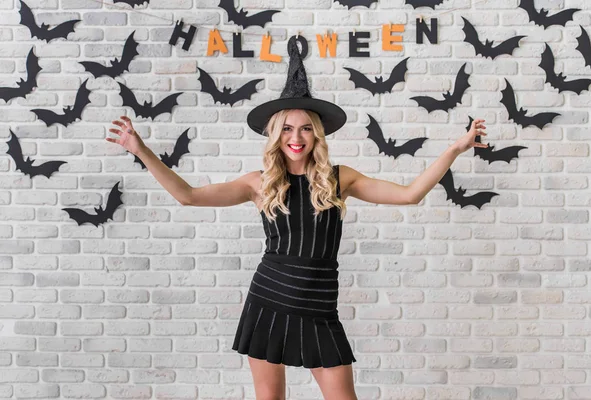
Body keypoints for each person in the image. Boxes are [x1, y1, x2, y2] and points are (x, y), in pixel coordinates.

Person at [107, 37, 487, 400]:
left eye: (306, 127)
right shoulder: (259, 184)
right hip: (269, 301)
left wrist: (455, 148)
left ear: (317, 134)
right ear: (275, 134)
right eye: (287, 128)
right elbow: (188, 196)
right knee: (270, 397)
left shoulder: (341, 178)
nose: (297, 136)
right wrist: (140, 150)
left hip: (320, 309)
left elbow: (409, 195)